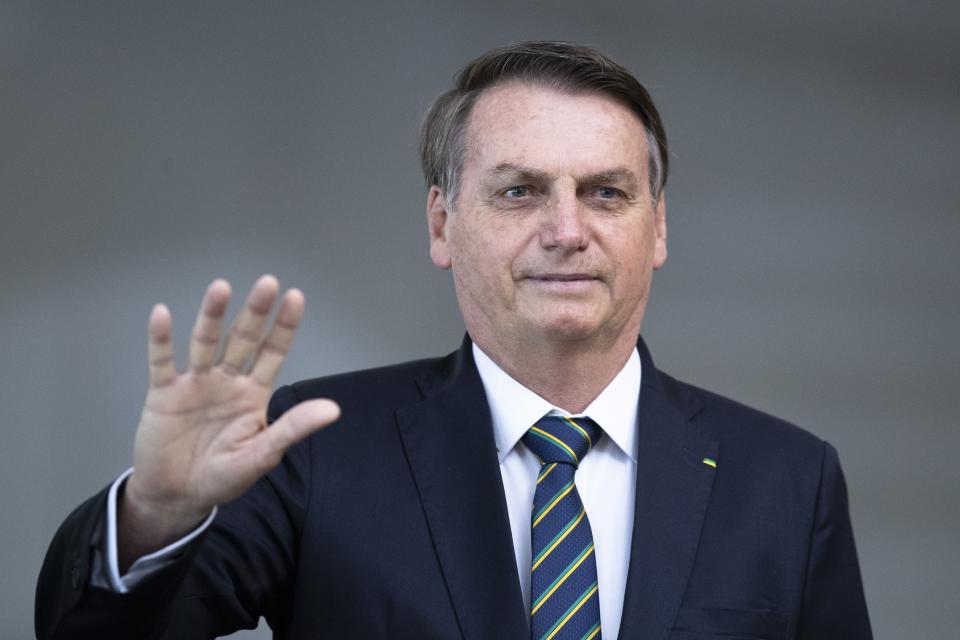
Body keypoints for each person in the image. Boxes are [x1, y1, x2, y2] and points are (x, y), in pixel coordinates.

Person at [36, 41, 872, 639]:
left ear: (657, 228)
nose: (567, 229)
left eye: (607, 193)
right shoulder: (316, 446)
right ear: (442, 223)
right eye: (519, 192)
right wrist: (154, 514)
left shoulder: (788, 484)